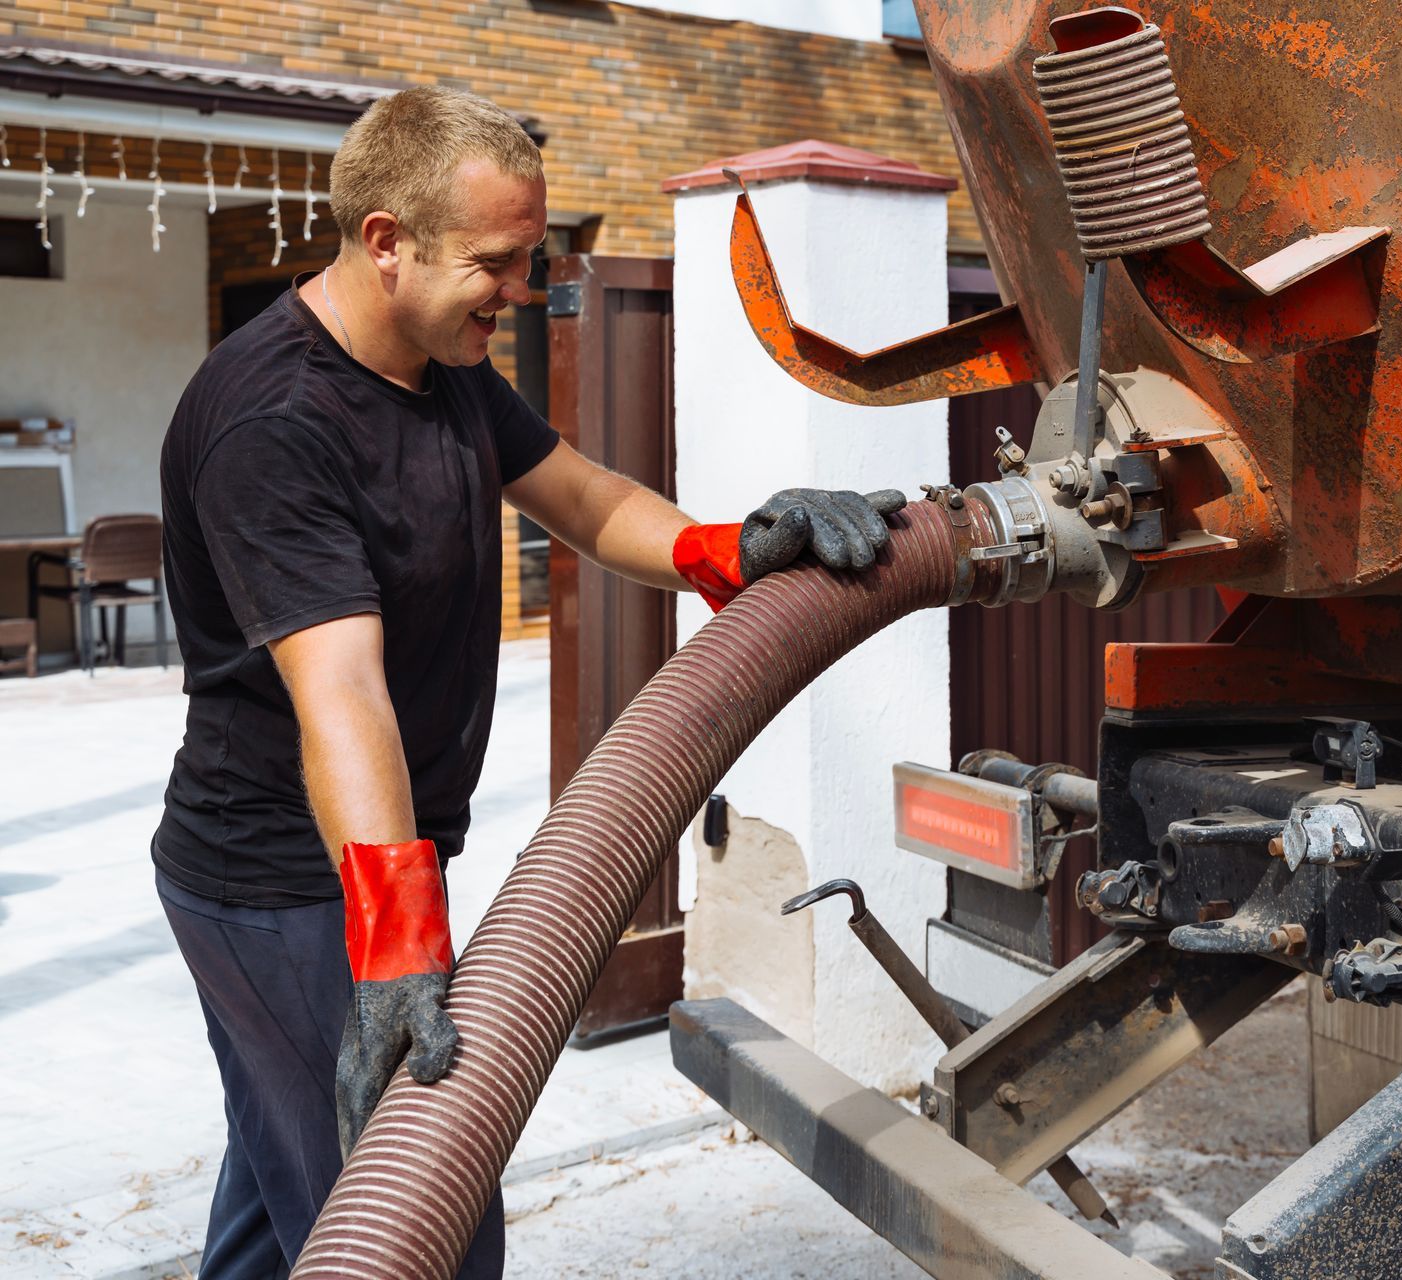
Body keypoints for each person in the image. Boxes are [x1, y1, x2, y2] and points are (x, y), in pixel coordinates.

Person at [152, 84, 902, 1279]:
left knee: (284, 1185)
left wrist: (729, 548)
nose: (522, 289)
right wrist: (399, 948)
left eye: (533, 257)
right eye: (497, 261)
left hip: (370, 865)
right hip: (285, 887)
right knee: (418, 1222)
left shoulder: (440, 364)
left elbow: (588, 498)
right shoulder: (273, 420)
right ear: (386, 240)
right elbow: (341, 692)